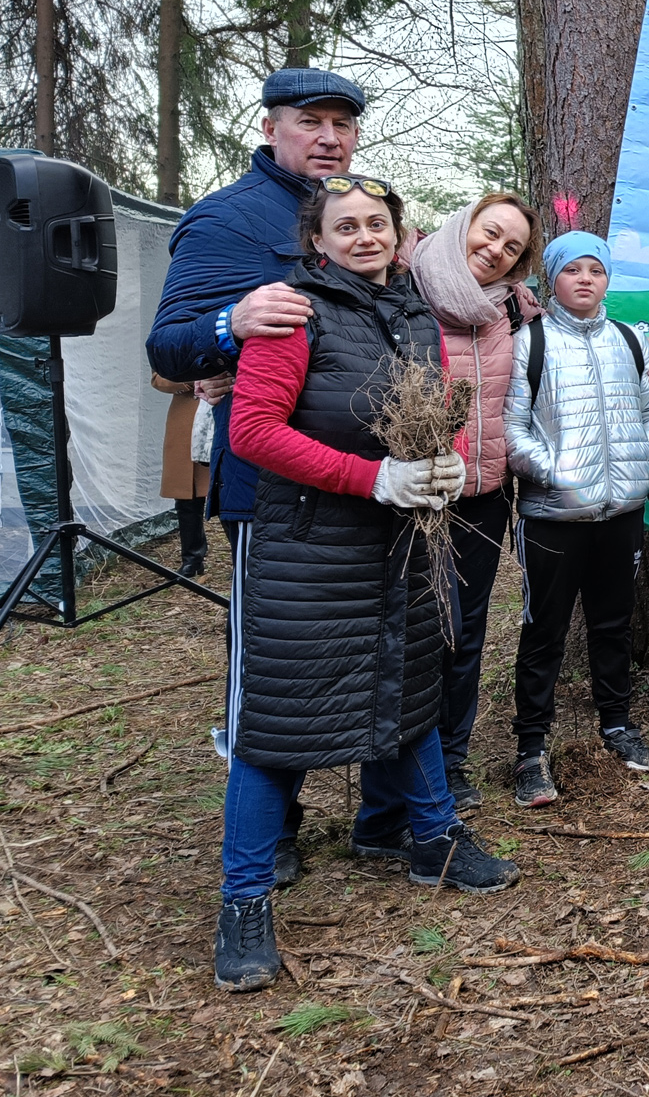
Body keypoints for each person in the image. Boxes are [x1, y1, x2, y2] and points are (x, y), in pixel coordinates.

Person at [217, 176, 518, 992]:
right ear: (318, 240)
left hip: (400, 541)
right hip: (308, 549)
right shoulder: (293, 311)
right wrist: (370, 478)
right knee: (279, 723)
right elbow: (252, 432)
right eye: (344, 226)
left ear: (399, 233)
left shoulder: (414, 314)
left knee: (409, 687)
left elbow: (425, 413)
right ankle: (243, 900)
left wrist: (441, 458)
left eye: (376, 224)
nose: (363, 237)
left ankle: (430, 838)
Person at [147, 66, 370, 888]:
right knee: (272, 665)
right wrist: (228, 325)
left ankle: (382, 815)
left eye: (342, 125)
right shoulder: (229, 219)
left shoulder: (358, 217)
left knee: (364, 645)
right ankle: (270, 834)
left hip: (362, 480)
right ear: (272, 127)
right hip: (272, 491)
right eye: (310, 121)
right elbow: (168, 345)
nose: (329, 138)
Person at [505, 232, 649, 807]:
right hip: (552, 517)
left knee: (612, 625)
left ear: (607, 279)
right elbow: (512, 426)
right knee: (545, 631)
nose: (585, 279)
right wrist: (555, 473)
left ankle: (618, 725)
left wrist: (646, 462)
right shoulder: (528, 342)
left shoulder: (629, 340)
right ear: (550, 278)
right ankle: (531, 749)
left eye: (595, 270)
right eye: (571, 269)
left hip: (620, 514)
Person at [408, 193, 544, 809]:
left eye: (511, 248)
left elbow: (572, 351)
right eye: (488, 234)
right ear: (462, 226)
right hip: (409, 499)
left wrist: (647, 358)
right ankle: (400, 764)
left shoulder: (515, 312)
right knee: (415, 632)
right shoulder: (402, 285)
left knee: (464, 633)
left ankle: (450, 760)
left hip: (484, 498)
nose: (494, 251)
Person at [150, 374, 211, 576]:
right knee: (187, 495)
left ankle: (242, 559)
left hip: (223, 409)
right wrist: (193, 382)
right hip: (186, 418)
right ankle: (192, 559)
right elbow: (159, 378)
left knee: (229, 494)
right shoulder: (173, 342)